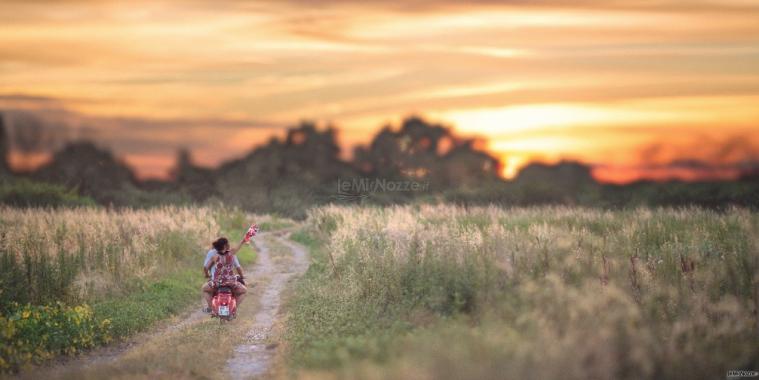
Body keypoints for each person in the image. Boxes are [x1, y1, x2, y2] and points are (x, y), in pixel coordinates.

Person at [202, 236, 248, 313]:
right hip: (230, 282)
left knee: (204, 289)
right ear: (225, 246)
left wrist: (207, 275)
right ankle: (234, 309)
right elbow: (239, 246)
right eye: (228, 244)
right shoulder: (231, 253)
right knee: (244, 291)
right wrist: (243, 240)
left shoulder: (215, 257)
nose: (229, 245)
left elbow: (206, 267)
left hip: (217, 282)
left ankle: (211, 307)